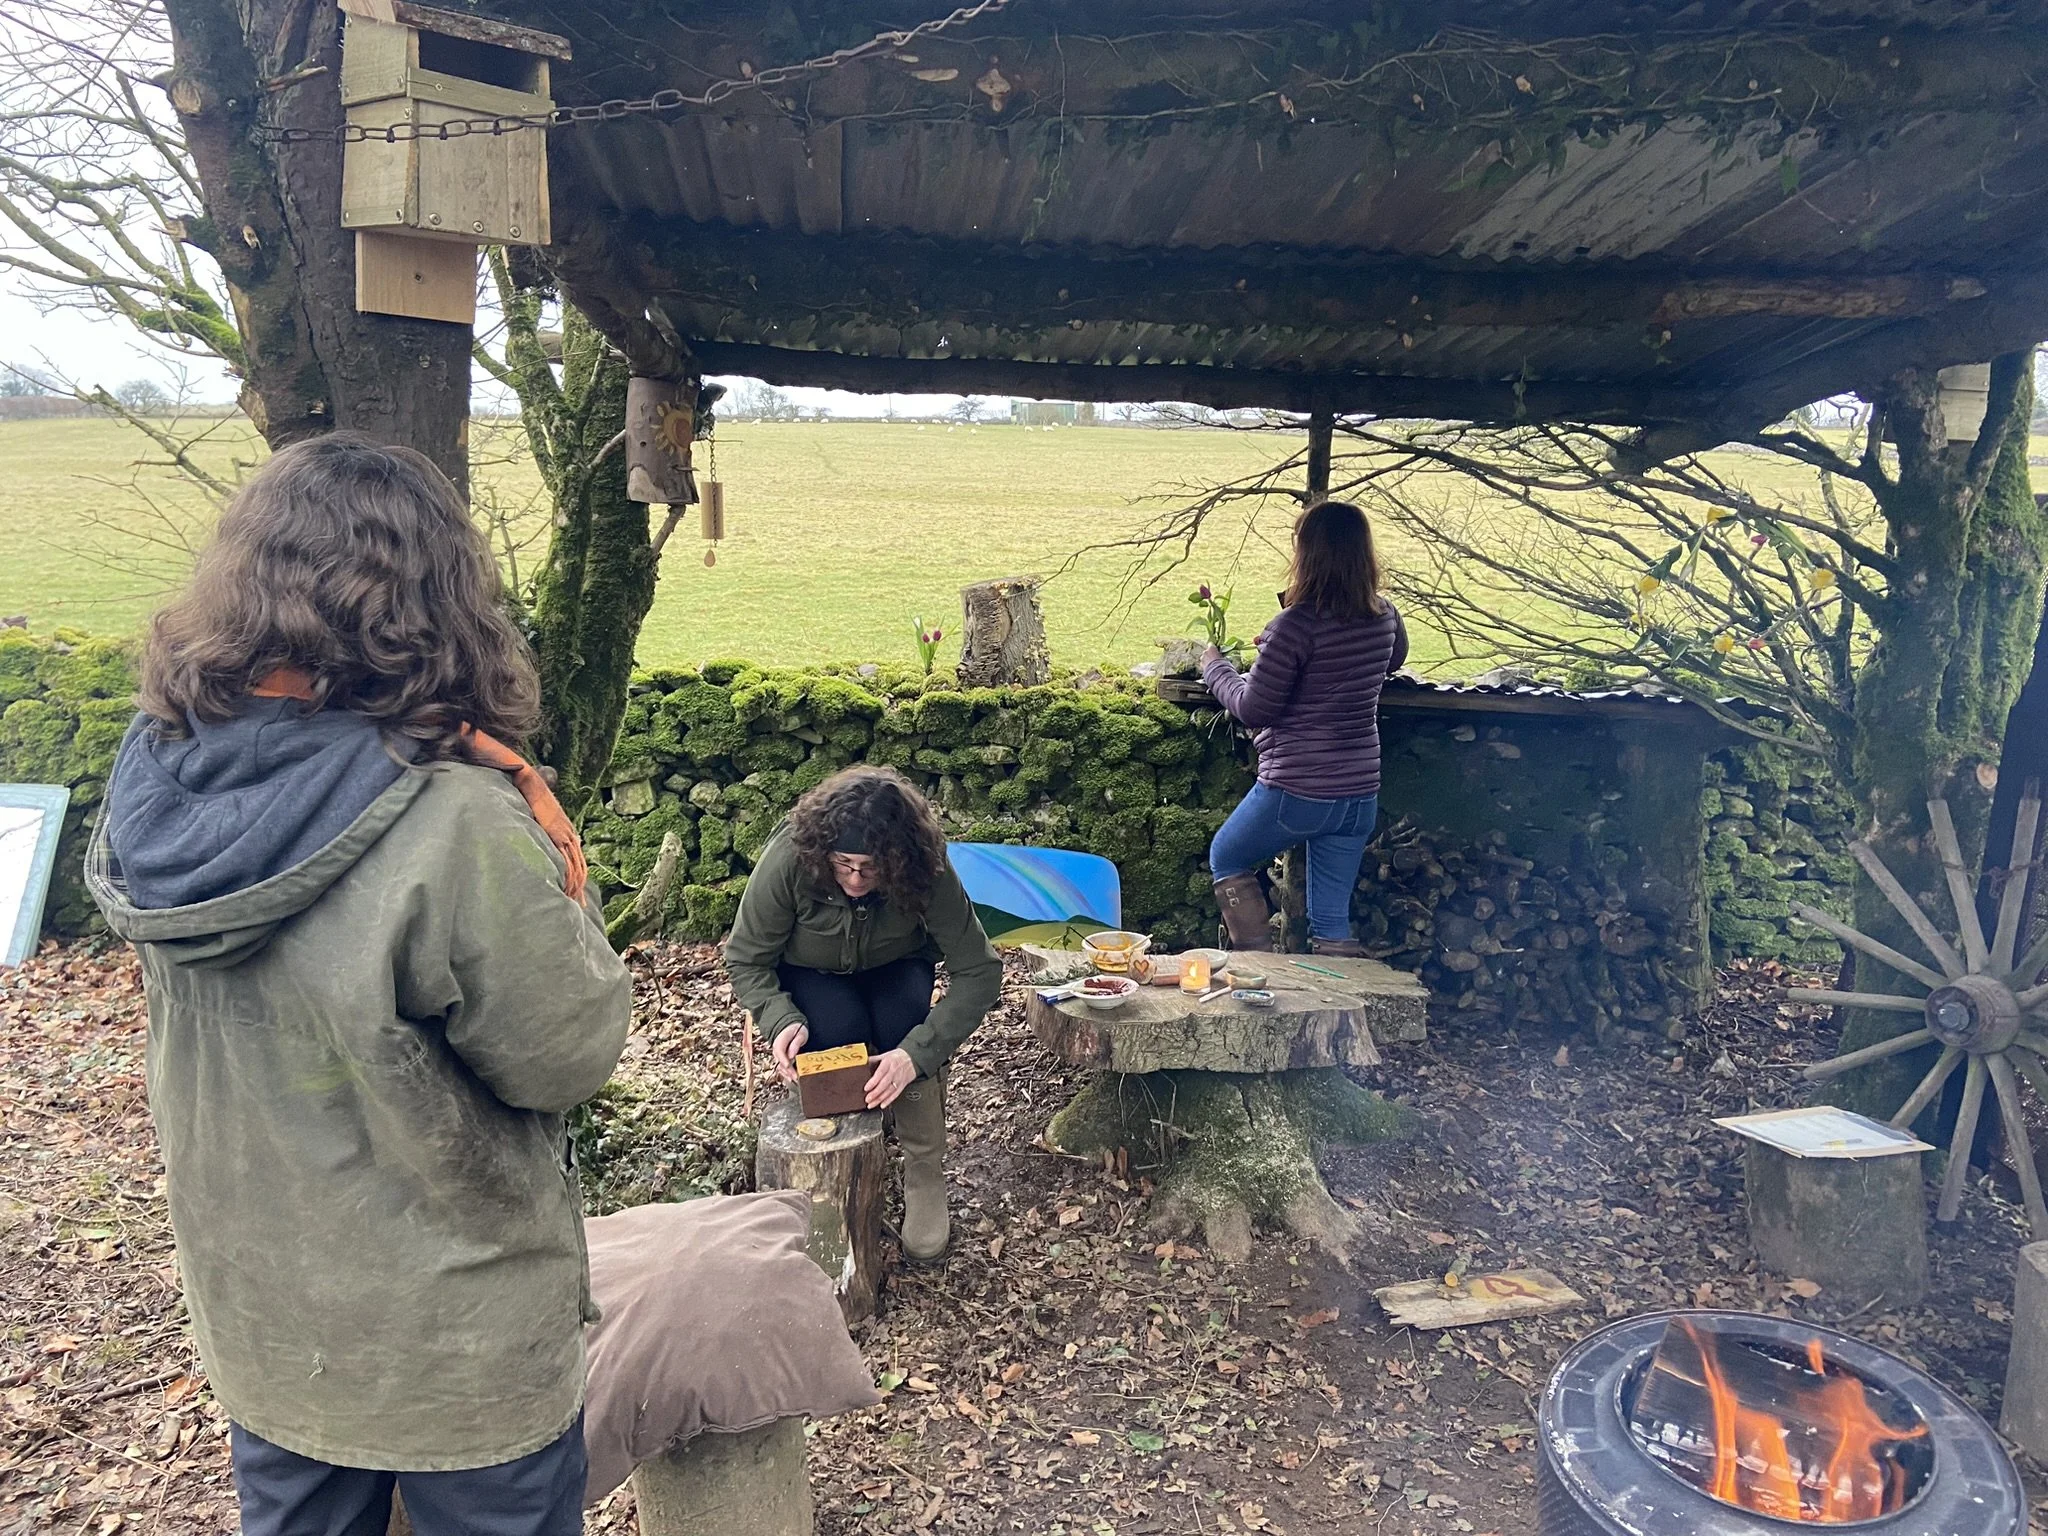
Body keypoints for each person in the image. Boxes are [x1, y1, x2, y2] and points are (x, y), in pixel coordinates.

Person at [87, 434, 633, 1536]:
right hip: (453, 1344)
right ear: (440, 598)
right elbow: (563, 1054)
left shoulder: (166, 777)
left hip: (268, 1321)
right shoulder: (454, 818)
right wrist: (556, 871)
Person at [722, 766, 1002, 1262]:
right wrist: (779, 1016)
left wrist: (916, 1055)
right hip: (813, 973)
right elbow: (747, 956)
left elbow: (979, 970)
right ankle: (835, 1168)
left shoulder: (925, 867)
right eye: (843, 863)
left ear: (897, 860)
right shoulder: (791, 857)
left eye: (870, 868)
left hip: (897, 966)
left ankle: (922, 1169)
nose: (854, 878)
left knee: (903, 1029)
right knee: (836, 1035)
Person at [1201, 499, 1408, 955]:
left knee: (1226, 855)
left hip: (1297, 791)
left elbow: (1254, 708)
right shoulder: (1384, 614)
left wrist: (1215, 668)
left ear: (1307, 554)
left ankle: (1258, 968)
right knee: (1331, 919)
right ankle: (1343, 1009)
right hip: (1358, 794)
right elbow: (1393, 658)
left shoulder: (1293, 626)